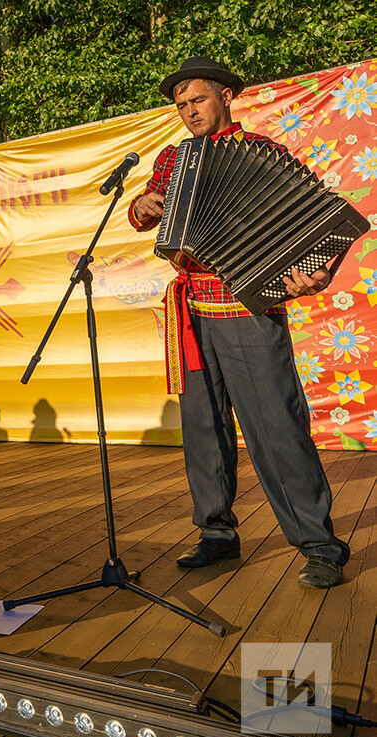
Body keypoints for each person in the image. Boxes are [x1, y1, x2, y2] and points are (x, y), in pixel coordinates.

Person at [128, 57, 349, 589]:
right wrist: (146, 203)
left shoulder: (264, 154)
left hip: (249, 308)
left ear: (227, 96)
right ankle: (216, 532)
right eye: (180, 105)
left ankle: (320, 544)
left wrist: (316, 272)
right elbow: (141, 215)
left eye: (197, 100)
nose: (187, 112)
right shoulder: (173, 159)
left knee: (275, 425)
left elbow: (322, 217)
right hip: (189, 309)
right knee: (202, 430)